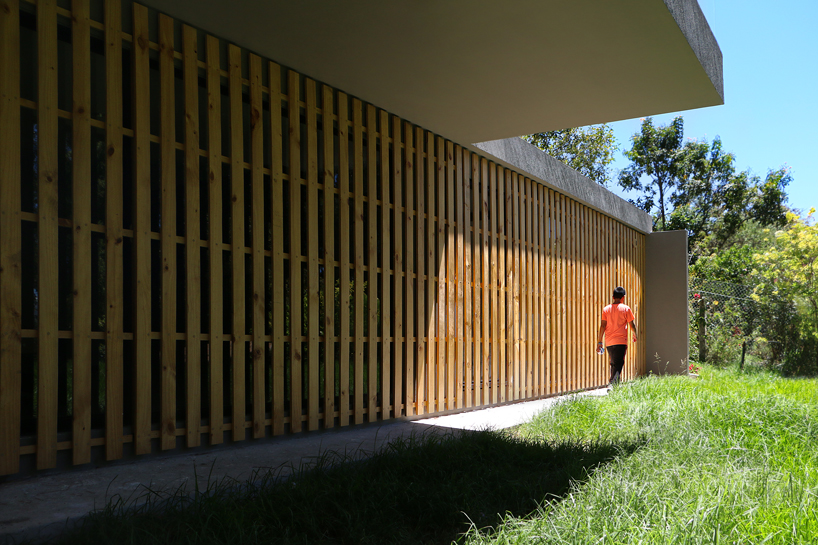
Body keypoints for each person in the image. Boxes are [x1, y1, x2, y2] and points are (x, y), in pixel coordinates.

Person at [596, 286, 637, 387]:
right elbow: (632, 324)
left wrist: (599, 341)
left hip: (609, 341)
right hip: (621, 341)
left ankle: (613, 383)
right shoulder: (626, 309)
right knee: (618, 363)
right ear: (623, 297)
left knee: (614, 363)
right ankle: (613, 385)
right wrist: (634, 334)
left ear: (613, 297)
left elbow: (602, 326)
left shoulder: (606, 309)